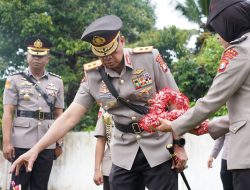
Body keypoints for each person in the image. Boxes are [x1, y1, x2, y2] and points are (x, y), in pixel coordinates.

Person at [10, 15, 187, 190]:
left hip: (159, 146)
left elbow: (175, 103)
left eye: (112, 52)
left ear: (122, 41)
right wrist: (36, 149)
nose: (108, 59)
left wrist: (179, 145)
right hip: (123, 152)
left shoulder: (149, 58)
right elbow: (69, 117)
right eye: (102, 56)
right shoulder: (92, 76)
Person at [155, 0, 250, 189]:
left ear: (229, 24)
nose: (217, 36)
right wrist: (208, 126)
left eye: (218, 30)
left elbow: (212, 101)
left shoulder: (240, 50)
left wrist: (175, 125)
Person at [2, 35, 64, 190]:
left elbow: (60, 116)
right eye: (33, 55)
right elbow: (8, 113)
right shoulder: (14, 79)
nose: (37, 59)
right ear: (27, 56)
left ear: (47, 59)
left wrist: (59, 143)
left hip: (47, 142)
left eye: (41, 56)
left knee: (41, 186)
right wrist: (7, 142)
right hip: (21, 142)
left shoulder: (57, 82)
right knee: (18, 186)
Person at [93, 108, 145, 190]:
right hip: (111, 165)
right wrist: (97, 170)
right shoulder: (107, 106)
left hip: (135, 163)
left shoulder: (137, 103)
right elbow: (101, 139)